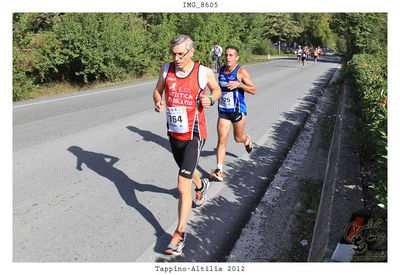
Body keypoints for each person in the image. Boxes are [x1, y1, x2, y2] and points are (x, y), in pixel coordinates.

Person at [153, 34, 221, 256]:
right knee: (187, 173)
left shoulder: (203, 72)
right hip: (174, 133)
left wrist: (210, 100)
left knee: (182, 184)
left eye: (181, 54)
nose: (177, 58)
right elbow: (157, 90)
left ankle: (179, 234)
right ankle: (200, 187)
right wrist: (158, 101)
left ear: (192, 52)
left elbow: (217, 90)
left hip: (194, 134)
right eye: (173, 53)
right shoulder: (167, 69)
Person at [209, 46, 256, 182]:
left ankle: (246, 139)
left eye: (231, 55)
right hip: (223, 110)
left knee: (237, 138)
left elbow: (253, 90)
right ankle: (219, 171)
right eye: (226, 55)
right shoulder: (220, 70)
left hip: (237, 110)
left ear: (237, 57)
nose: (228, 58)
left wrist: (239, 85)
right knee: (222, 140)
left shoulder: (241, 71)